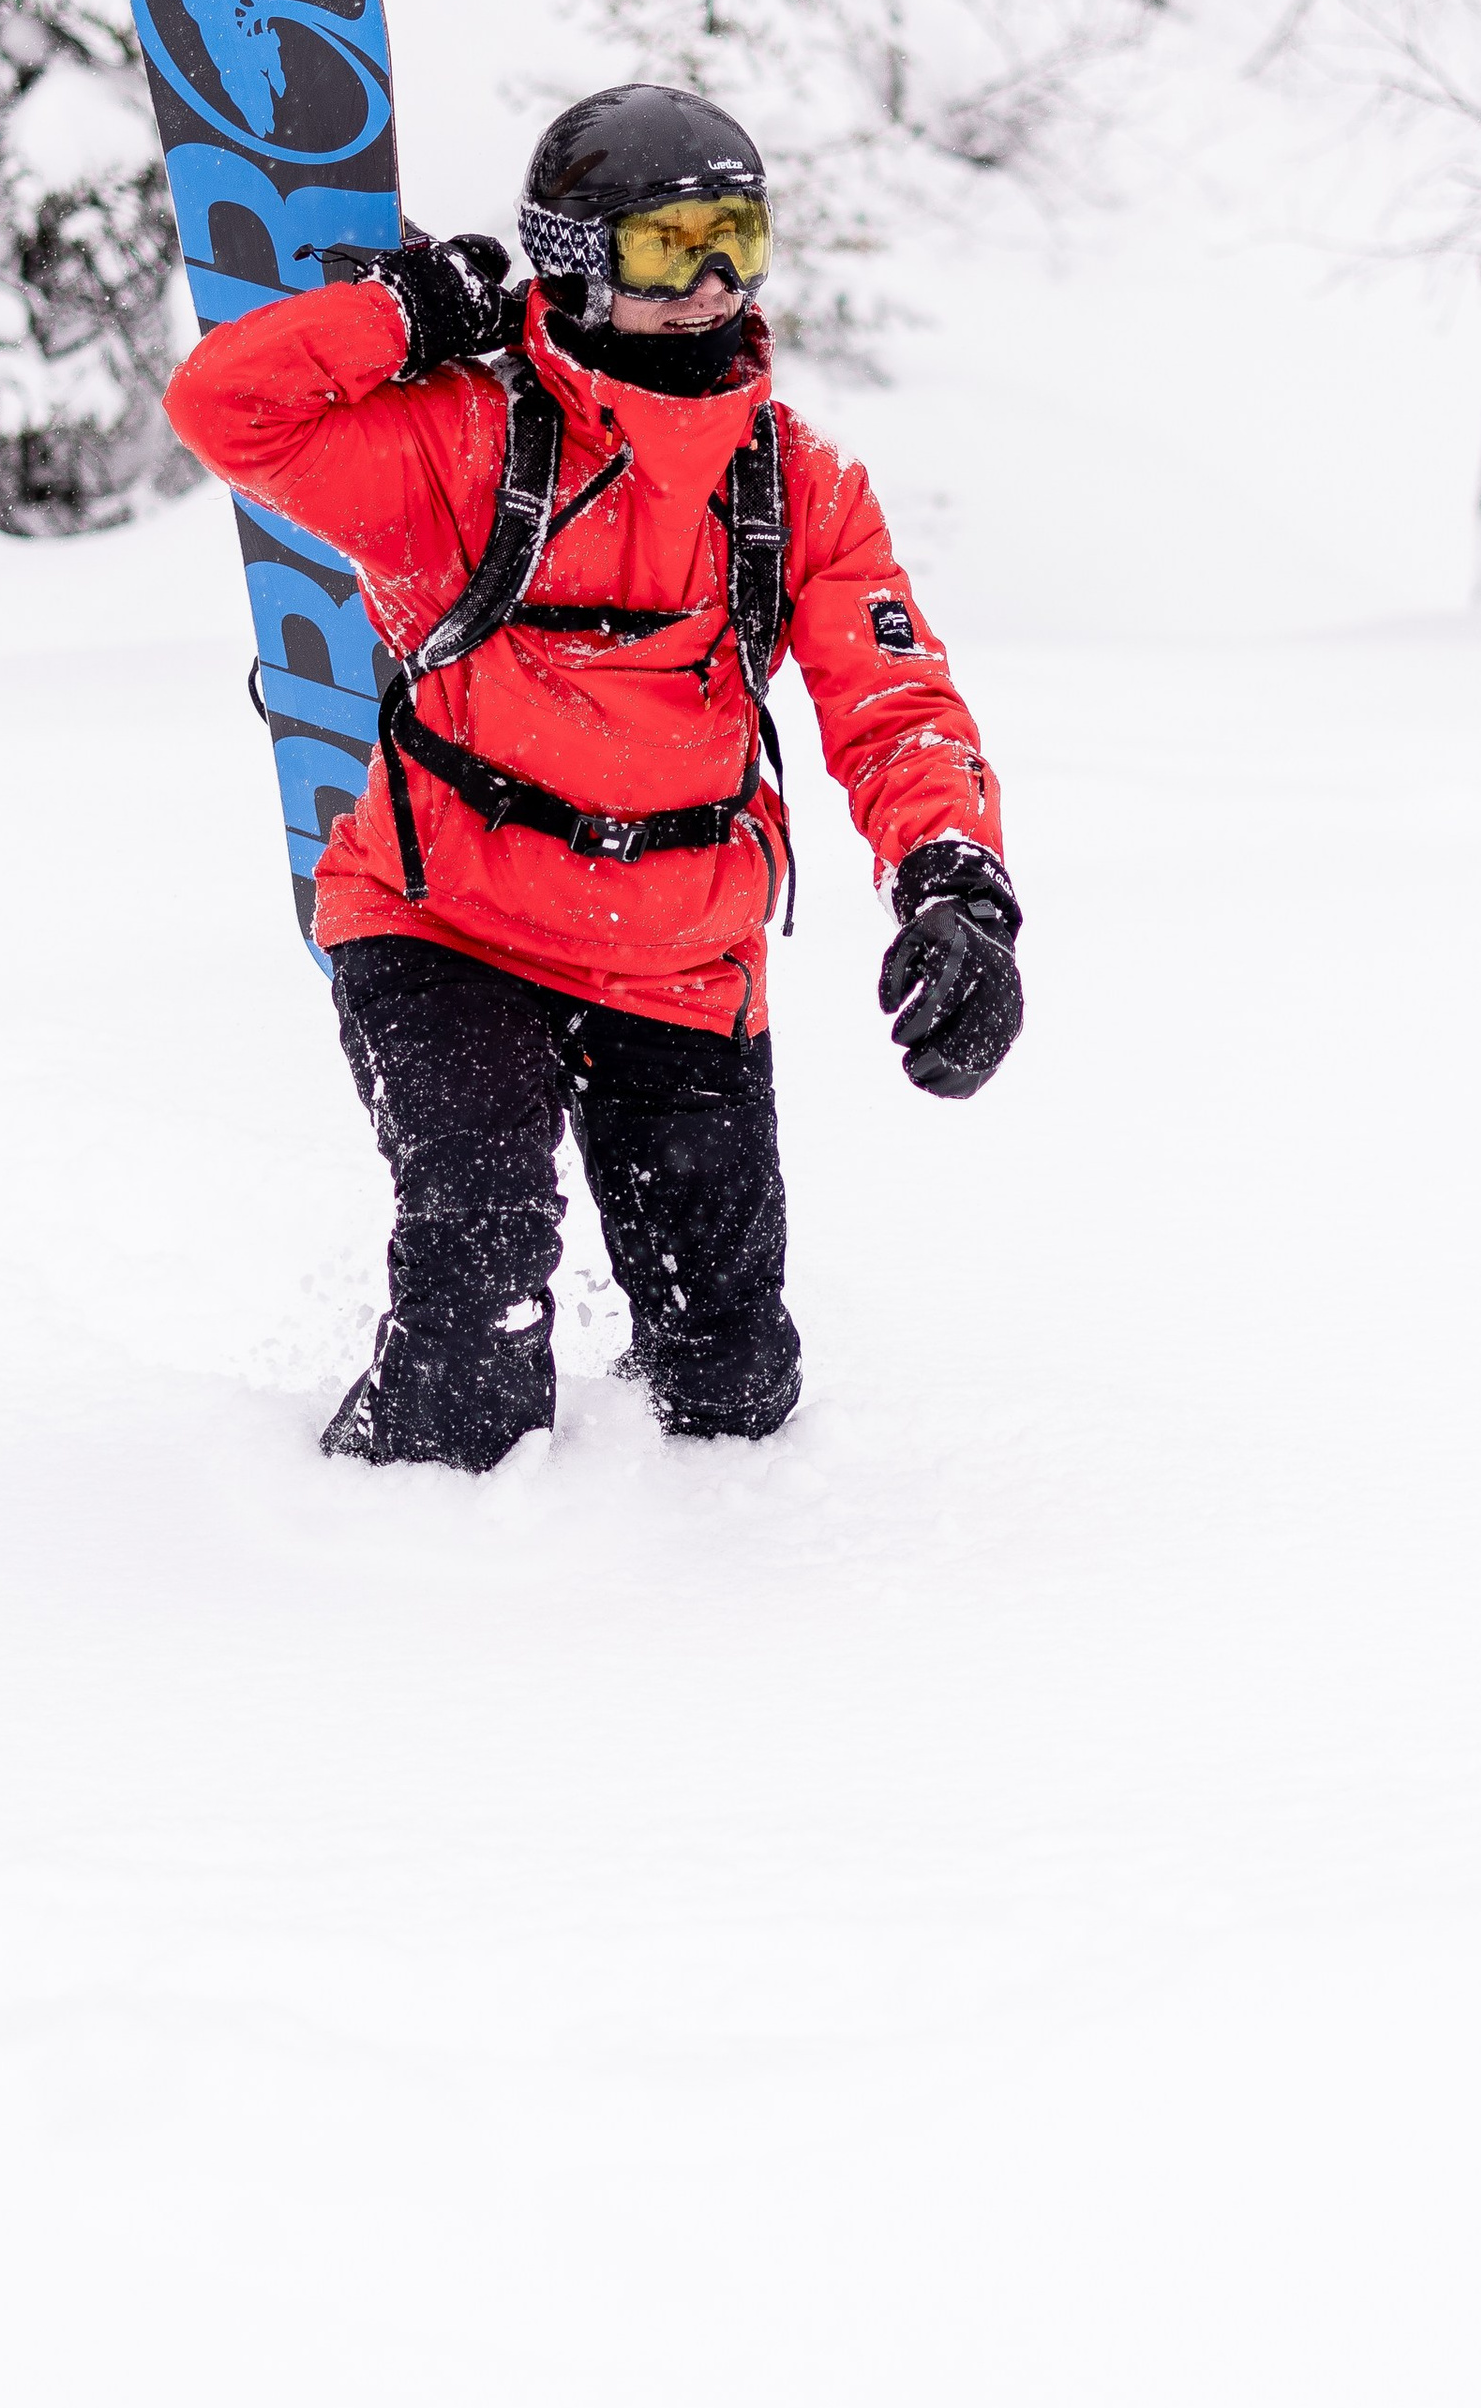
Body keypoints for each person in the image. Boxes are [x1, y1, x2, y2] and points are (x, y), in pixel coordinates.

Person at [162, 83, 1022, 1470]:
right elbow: (226, 410)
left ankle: (675, 1591)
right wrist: (404, 321)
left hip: (677, 961)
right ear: (576, 264)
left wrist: (955, 880)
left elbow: (894, 698)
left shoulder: (792, 485)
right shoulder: (465, 447)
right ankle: (371, 1596)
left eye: (738, 237)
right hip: (445, 925)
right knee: (479, 1310)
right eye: (671, 247)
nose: (715, 284)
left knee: (731, 1390)